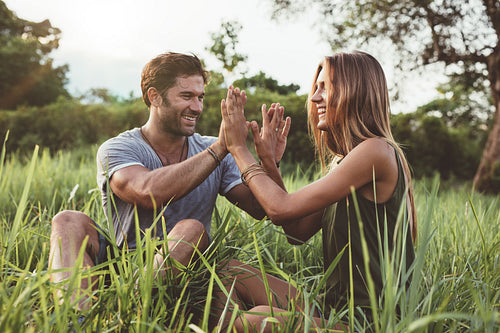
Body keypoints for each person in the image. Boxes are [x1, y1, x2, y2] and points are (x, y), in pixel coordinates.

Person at [48, 52, 292, 318]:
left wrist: (269, 162)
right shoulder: (119, 148)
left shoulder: (213, 149)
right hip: (124, 267)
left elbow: (260, 208)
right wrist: (221, 147)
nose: (197, 107)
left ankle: (132, 314)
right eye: (186, 96)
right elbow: (147, 192)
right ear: (154, 96)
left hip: (188, 274)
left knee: (191, 229)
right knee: (68, 220)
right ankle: (76, 320)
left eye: (200, 97)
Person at [221, 51, 417, 332]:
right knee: (230, 270)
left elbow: (279, 209)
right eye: (316, 88)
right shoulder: (346, 160)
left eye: (326, 88)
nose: (314, 98)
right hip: (334, 308)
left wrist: (238, 148)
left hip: (373, 323)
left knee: (256, 319)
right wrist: (268, 163)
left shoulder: (376, 151)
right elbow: (296, 232)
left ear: (355, 92)